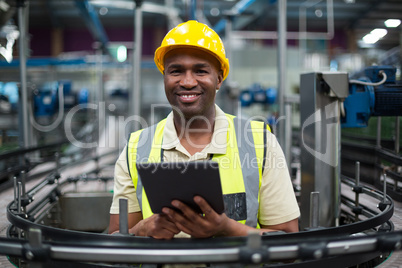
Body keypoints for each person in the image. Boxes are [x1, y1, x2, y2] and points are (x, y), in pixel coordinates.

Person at [108, 20, 300, 239]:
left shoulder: (260, 142)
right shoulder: (136, 147)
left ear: (218, 79)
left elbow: (288, 241)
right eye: (176, 71)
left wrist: (228, 229)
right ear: (165, 78)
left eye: (200, 71)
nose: (188, 82)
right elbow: (117, 237)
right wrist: (141, 231)